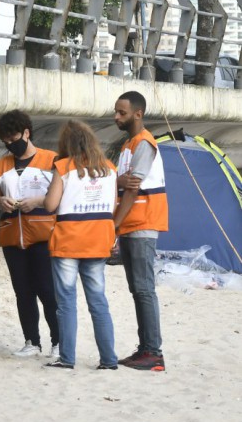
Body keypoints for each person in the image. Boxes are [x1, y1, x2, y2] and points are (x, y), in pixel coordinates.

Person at [42, 121, 119, 370]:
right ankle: (108, 359)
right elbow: (113, 204)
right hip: (98, 241)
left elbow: (51, 205)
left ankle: (67, 358)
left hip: (68, 241)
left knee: (66, 302)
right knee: (98, 301)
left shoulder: (63, 167)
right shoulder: (109, 168)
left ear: (67, 144)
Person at [0, 110, 60, 359]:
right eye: (5, 142)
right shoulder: (1, 164)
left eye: (13, 138)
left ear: (27, 133)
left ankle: (58, 341)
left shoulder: (51, 159)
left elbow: (61, 194)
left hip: (43, 234)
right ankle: (32, 341)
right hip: (12, 236)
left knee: (47, 290)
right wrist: (1, 201)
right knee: (23, 291)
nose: (10, 145)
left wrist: (39, 201)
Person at [113, 91, 168, 371]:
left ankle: (153, 353)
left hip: (142, 223)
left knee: (144, 290)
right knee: (138, 290)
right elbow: (122, 183)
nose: (116, 117)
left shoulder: (144, 143)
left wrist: (114, 224)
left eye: (121, 112)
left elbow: (132, 186)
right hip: (132, 225)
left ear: (138, 113)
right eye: (116, 112)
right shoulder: (128, 145)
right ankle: (145, 348)